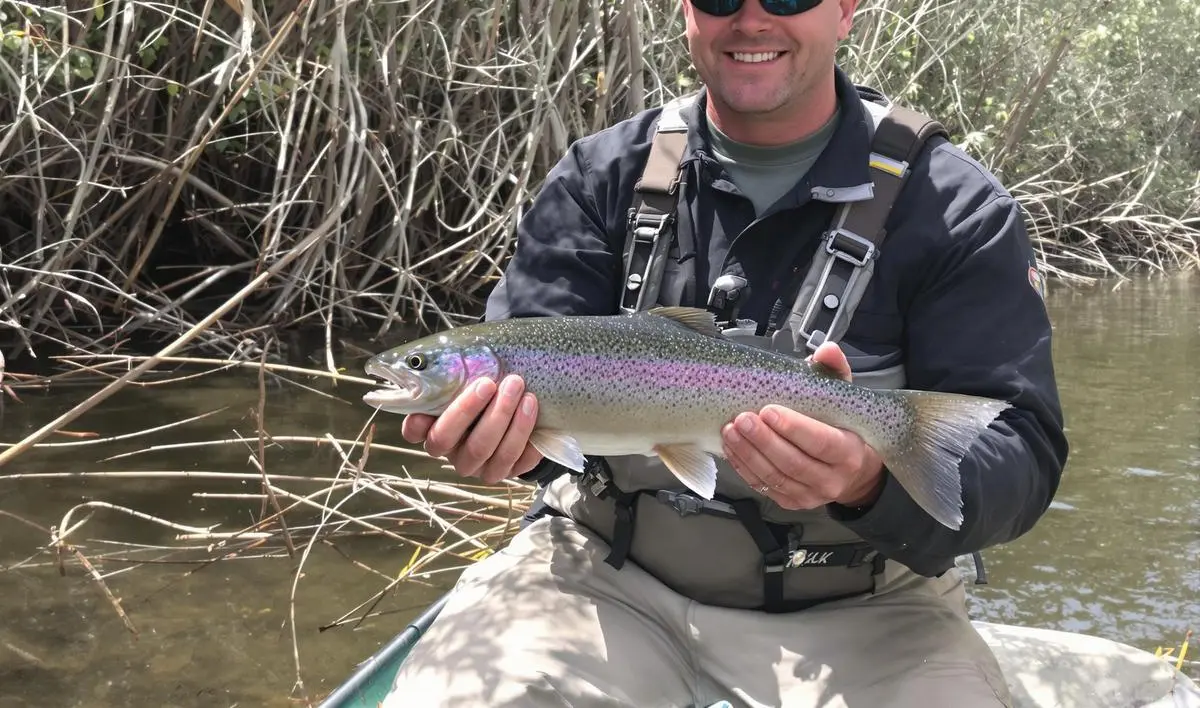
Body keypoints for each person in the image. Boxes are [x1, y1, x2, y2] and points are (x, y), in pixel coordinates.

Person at [383, 0, 1068, 705]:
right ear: (685, 12)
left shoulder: (956, 208)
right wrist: (509, 449)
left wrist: (868, 481)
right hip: (605, 580)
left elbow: (1019, 460)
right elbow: (542, 401)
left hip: (870, 612)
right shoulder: (600, 177)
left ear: (845, 11)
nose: (751, 19)